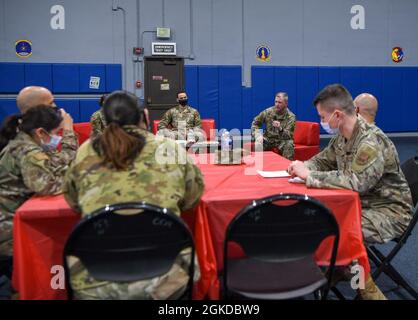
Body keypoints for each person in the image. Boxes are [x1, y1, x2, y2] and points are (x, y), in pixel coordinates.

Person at [64, 90, 204, 300]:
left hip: (96, 276)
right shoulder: (168, 148)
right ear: (144, 117)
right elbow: (193, 198)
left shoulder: (85, 151)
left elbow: (73, 201)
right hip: (165, 276)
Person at [287, 84, 413, 300]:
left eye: (322, 117)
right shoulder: (343, 135)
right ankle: (340, 269)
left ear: (337, 115)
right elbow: (322, 160)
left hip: (388, 211)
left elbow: (356, 182)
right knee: (322, 223)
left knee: (341, 234)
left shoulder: (370, 141)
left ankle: (366, 289)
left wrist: (309, 176)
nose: (322, 122)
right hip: (360, 204)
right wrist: (302, 165)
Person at [0, 106, 72, 257]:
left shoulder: (25, 142)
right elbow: (46, 186)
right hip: (7, 229)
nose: (58, 137)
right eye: (57, 132)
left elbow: (54, 165)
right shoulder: (27, 151)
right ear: (40, 132)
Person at [11, 86, 78, 161]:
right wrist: (68, 130)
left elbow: (55, 160)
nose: (55, 106)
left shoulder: (30, 133)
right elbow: (61, 167)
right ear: (37, 108)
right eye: (51, 103)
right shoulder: (25, 149)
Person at [251, 92, 296, 160]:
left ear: (286, 104)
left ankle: (287, 168)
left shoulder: (291, 117)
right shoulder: (268, 112)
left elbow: (289, 136)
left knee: (289, 144)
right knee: (258, 143)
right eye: (276, 102)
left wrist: (280, 128)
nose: (277, 104)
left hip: (281, 141)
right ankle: (257, 166)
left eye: (280, 102)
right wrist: (258, 135)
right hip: (268, 139)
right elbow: (255, 123)